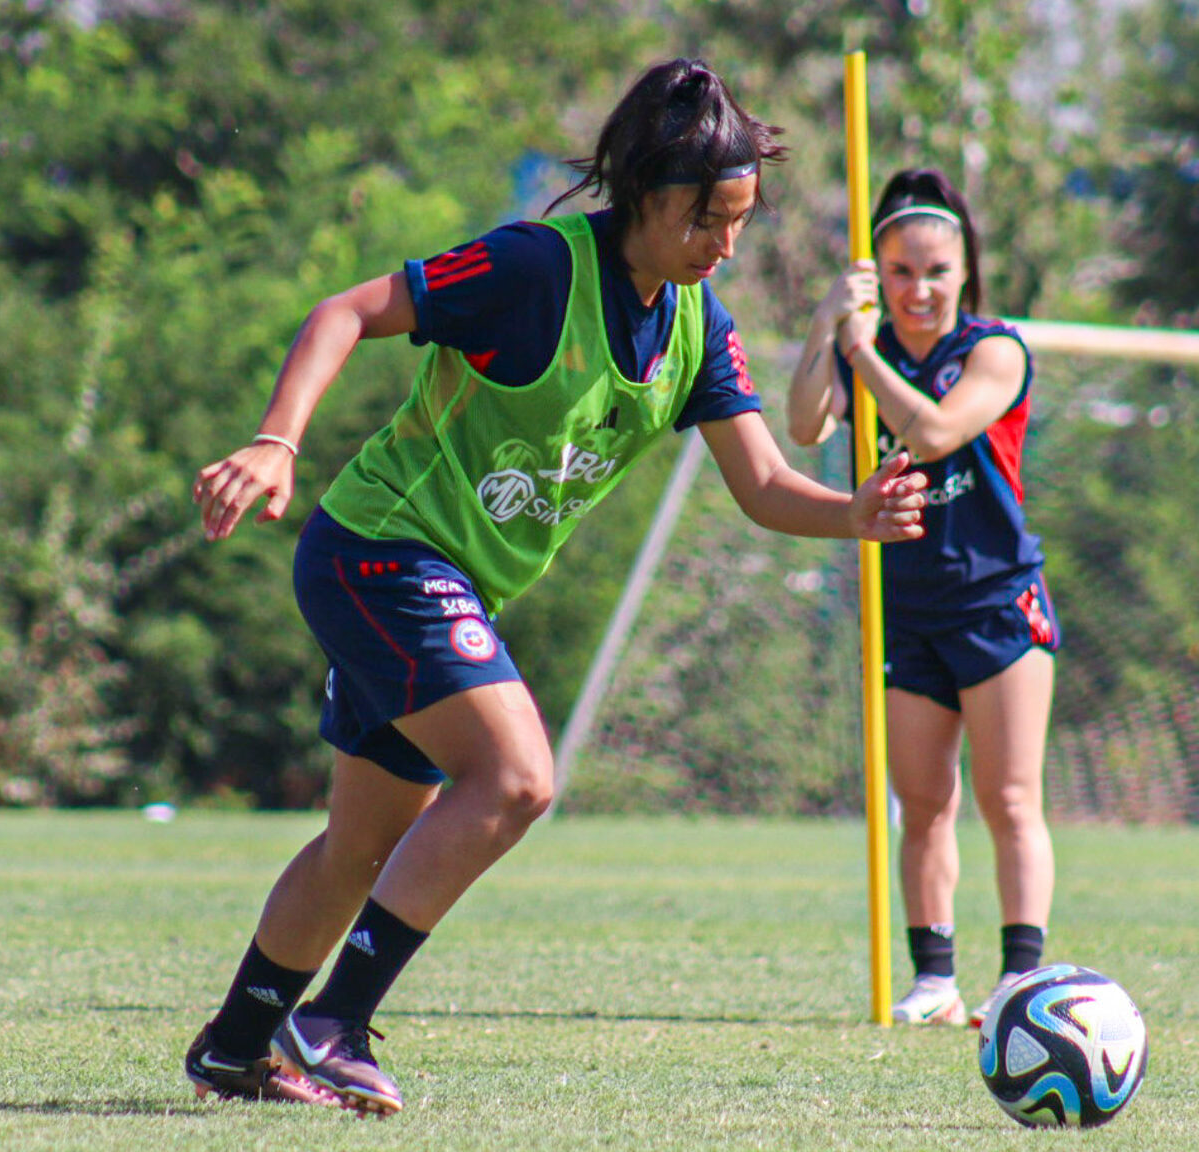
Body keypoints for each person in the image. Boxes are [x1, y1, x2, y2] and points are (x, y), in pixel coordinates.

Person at [184, 58, 927, 1115]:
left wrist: (849, 515)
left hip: (440, 583)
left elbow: (762, 483)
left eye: (743, 220)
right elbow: (345, 310)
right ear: (651, 196)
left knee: (363, 842)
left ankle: (237, 1043)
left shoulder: (695, 326)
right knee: (519, 778)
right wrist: (274, 440)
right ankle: (332, 1018)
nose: (728, 243)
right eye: (712, 218)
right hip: (378, 551)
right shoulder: (534, 270)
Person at [785, 167, 1056, 1030]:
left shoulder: (994, 349)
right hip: (908, 608)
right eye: (900, 271)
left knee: (1008, 799)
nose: (919, 289)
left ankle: (1020, 974)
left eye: (936, 271)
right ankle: (934, 976)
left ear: (965, 271)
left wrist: (862, 355)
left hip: (996, 603)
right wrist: (831, 325)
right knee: (923, 801)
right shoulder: (859, 343)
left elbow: (935, 432)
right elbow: (802, 426)